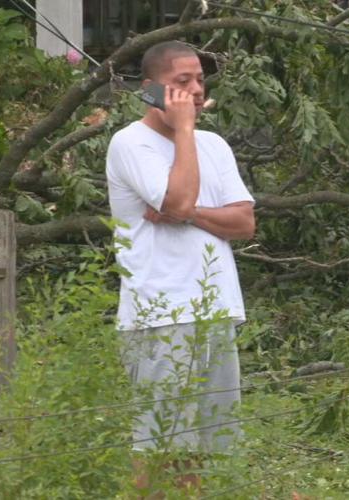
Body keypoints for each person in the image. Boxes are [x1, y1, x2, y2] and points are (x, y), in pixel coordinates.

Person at [105, 40, 256, 495]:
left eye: (199, 80)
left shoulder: (214, 145)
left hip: (215, 306)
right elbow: (179, 197)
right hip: (160, 311)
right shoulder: (130, 143)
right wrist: (184, 132)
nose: (194, 90)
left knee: (207, 445)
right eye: (181, 82)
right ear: (151, 89)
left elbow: (243, 222)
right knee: (160, 441)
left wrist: (188, 216)